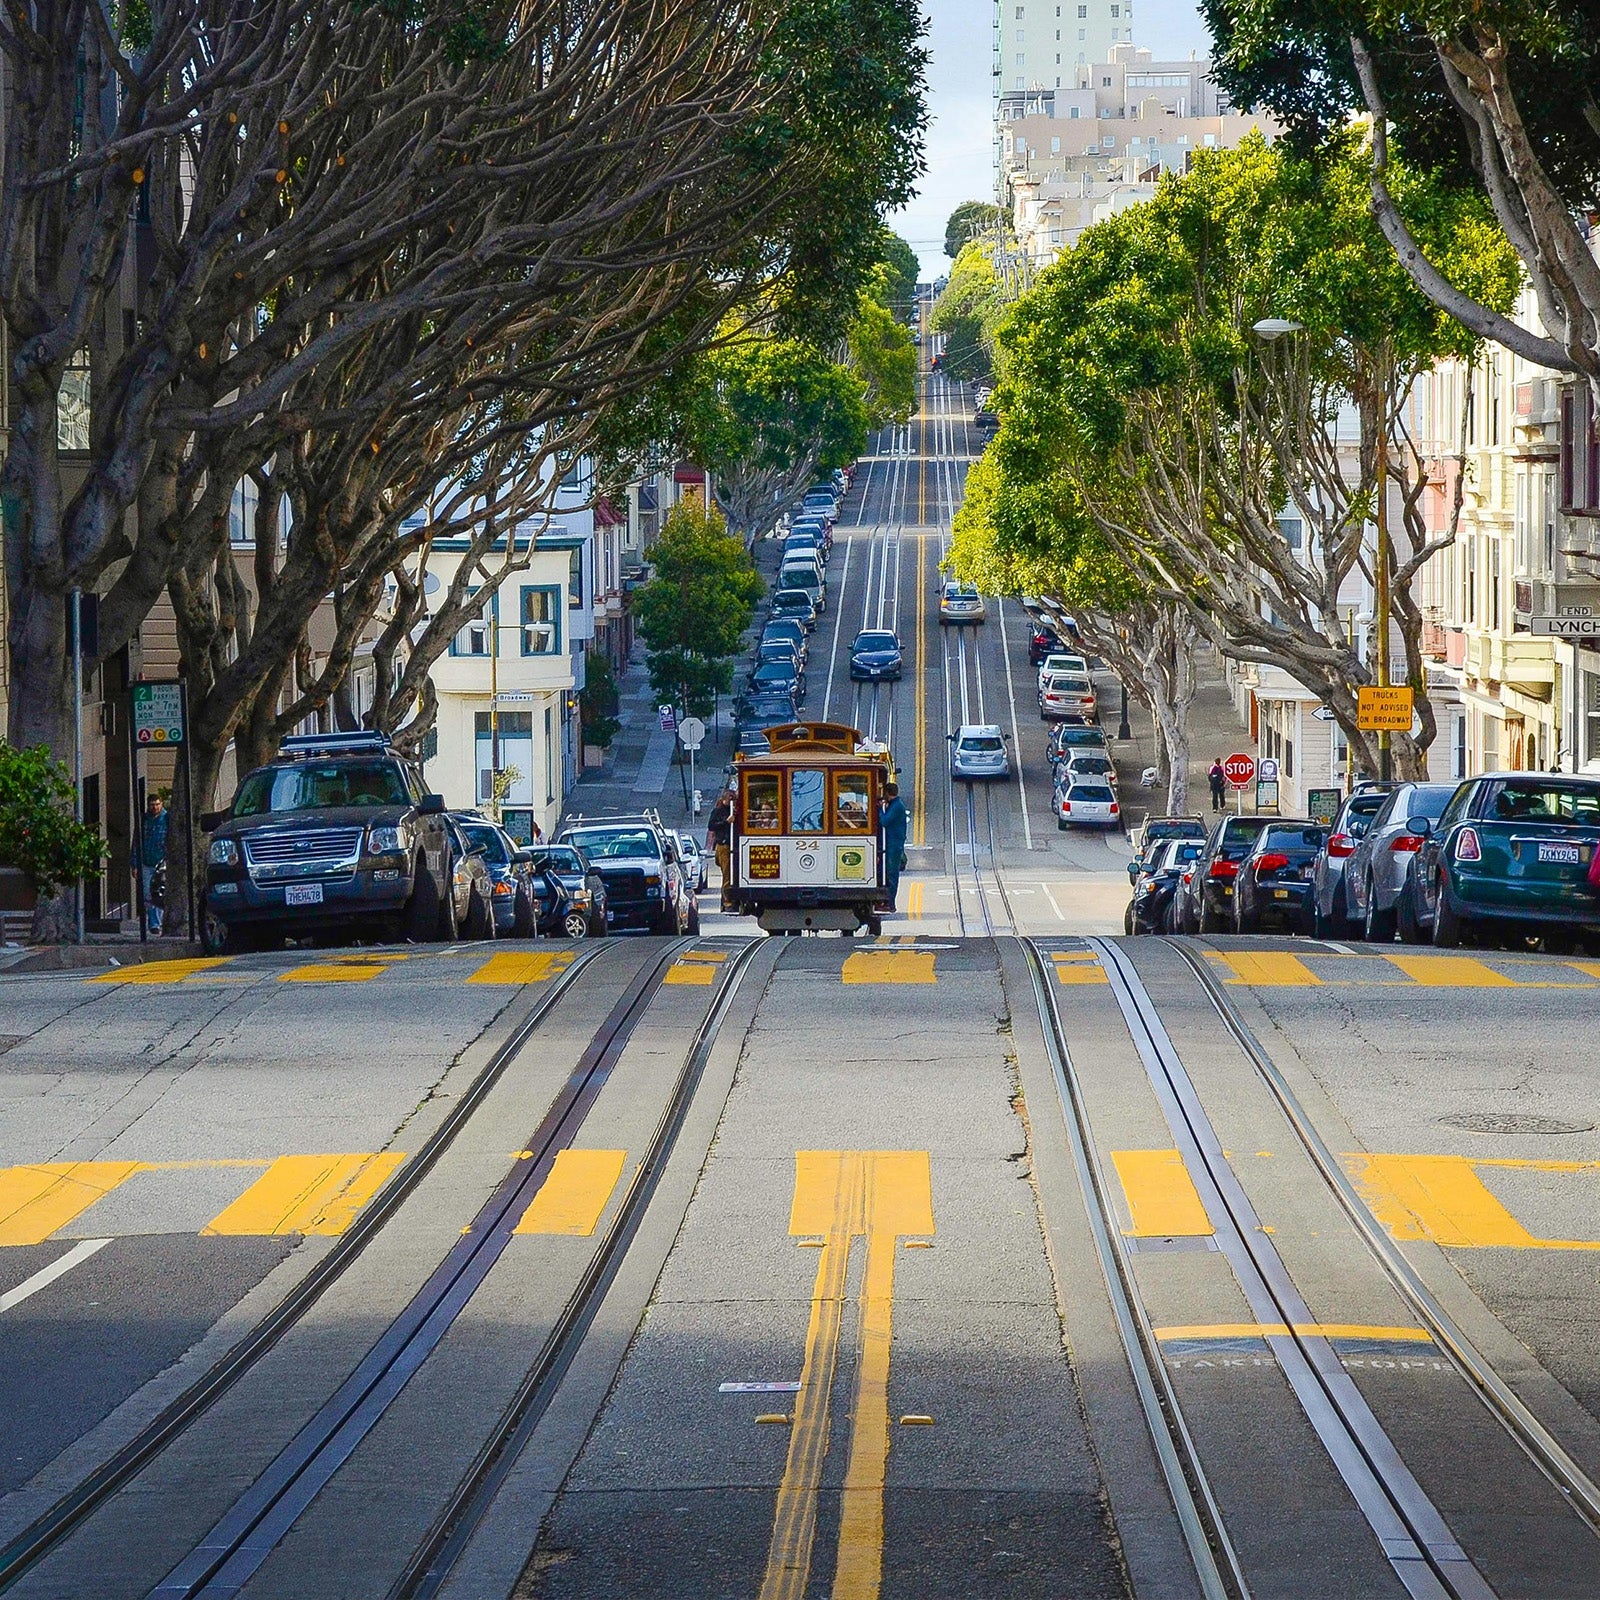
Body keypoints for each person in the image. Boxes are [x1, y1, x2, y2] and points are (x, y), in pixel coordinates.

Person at [140, 793, 168, 935]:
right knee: (148, 894)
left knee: (160, 893)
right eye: (152, 805)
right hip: (147, 862)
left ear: (161, 804)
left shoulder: (167, 818)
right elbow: (137, 842)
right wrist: (134, 863)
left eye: (157, 804)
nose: (155, 807)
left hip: (162, 862)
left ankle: (159, 921)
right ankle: (153, 923)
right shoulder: (144, 820)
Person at [880, 780, 909, 913]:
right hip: (892, 843)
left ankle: (890, 903)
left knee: (892, 873)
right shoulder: (895, 804)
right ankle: (886, 901)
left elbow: (885, 821)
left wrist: (880, 809)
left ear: (888, 793)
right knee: (888, 872)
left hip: (894, 844)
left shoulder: (897, 806)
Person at [707, 789, 734, 910]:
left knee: (732, 874)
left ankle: (731, 897)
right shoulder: (718, 811)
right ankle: (726, 900)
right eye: (730, 798)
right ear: (725, 798)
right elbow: (711, 826)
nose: (732, 800)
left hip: (733, 845)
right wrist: (726, 822)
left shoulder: (733, 810)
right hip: (723, 845)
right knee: (727, 874)